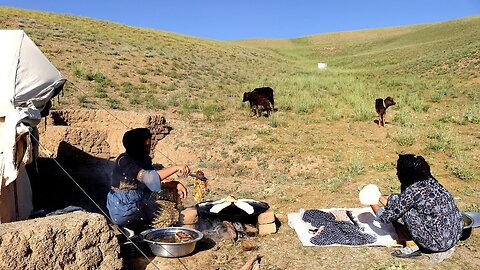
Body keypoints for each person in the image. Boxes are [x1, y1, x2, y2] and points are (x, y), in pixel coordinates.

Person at [365, 154, 463, 263]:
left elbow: (386, 217)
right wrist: (378, 195)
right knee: (398, 200)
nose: (397, 173)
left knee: (404, 212)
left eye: (398, 170)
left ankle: (412, 247)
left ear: (406, 173)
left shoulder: (413, 191)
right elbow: (400, 202)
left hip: (440, 243)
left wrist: (371, 201)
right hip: (454, 234)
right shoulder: (431, 181)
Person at [106, 128, 189, 233]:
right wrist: (176, 168)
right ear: (136, 146)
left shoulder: (143, 159)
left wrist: (176, 184)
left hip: (137, 201)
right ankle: (135, 229)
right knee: (170, 215)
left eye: (149, 145)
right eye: (146, 146)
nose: (149, 149)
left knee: (170, 192)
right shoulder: (125, 160)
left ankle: (140, 226)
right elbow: (150, 178)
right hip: (123, 208)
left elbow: (154, 180)